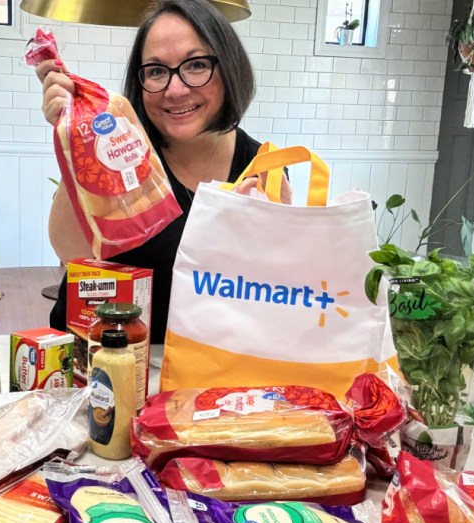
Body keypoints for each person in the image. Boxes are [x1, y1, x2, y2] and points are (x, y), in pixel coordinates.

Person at [36, 0, 287, 343]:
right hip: (96, 363)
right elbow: (72, 252)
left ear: (229, 68)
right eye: (155, 71)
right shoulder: (121, 151)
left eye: (196, 65)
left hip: (201, 376)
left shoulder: (264, 168)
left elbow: (276, 293)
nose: (175, 89)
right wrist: (79, 145)